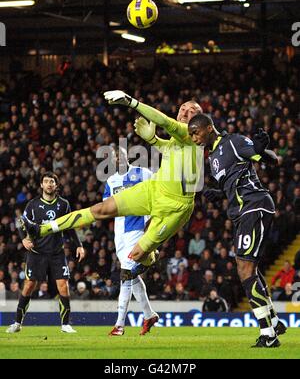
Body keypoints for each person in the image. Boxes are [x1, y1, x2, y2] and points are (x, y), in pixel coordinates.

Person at [20, 92, 205, 280]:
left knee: (138, 256)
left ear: (199, 121)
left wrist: (132, 102)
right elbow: (168, 148)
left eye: (192, 112)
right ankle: (41, 229)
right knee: (101, 209)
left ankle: (150, 258)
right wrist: (153, 140)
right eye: (183, 109)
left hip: (175, 207)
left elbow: (164, 121)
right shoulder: (179, 138)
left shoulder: (189, 134)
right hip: (154, 189)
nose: (186, 112)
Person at [188, 113, 286, 348]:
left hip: (255, 205)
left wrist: (262, 150)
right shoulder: (212, 158)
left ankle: (268, 334)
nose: (193, 138)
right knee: (249, 267)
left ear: (209, 128)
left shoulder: (232, 141)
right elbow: (237, 180)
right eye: (191, 134)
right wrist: (220, 193)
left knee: (244, 269)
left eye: (196, 132)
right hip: (243, 211)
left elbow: (271, 160)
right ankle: (274, 321)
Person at [7, 172, 84, 334]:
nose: (49, 184)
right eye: (46, 181)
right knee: (28, 286)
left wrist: (78, 245)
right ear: (41, 185)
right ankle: (17, 323)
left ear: (56, 185)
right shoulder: (33, 204)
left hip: (57, 253)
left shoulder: (63, 204)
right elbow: (21, 222)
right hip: (37, 252)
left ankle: (65, 324)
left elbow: (69, 226)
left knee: (63, 286)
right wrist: (23, 239)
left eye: (52, 181)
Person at [104, 147, 158, 336]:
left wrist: (153, 218)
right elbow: (107, 206)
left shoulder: (143, 173)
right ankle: (149, 314)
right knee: (132, 276)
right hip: (120, 233)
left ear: (127, 156)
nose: (118, 158)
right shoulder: (111, 181)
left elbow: (159, 191)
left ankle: (119, 325)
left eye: (121, 154)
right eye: (114, 156)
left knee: (126, 273)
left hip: (138, 228)